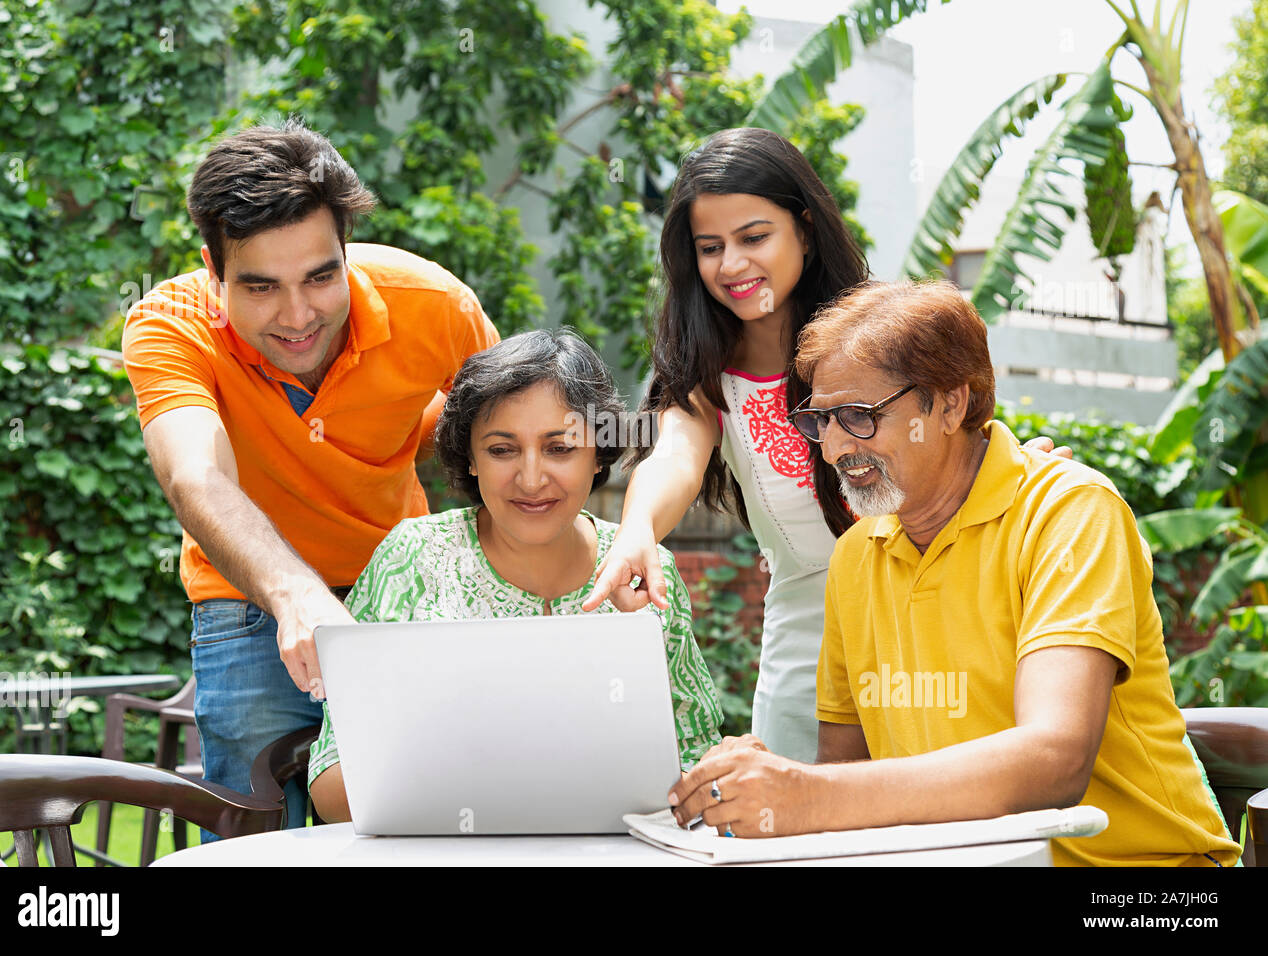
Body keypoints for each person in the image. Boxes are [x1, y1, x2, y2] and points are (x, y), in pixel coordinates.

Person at [667, 280, 1241, 867]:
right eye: (821, 420)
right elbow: (846, 773)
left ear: (950, 403)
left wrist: (806, 793)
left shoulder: (1069, 514)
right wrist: (769, 780)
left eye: (858, 417)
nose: (836, 448)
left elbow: (1055, 761)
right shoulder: (856, 556)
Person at [584, 127, 1068, 762]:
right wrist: (638, 529)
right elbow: (674, 450)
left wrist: (1021, 479)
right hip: (806, 659)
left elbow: (957, 429)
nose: (732, 264)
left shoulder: (881, 337)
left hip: (940, 624)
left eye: (754, 237)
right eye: (710, 247)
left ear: (805, 230)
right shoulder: (707, 373)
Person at [121, 119, 499, 838]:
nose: (298, 317)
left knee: (428, 816)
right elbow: (196, 475)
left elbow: (511, 439)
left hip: (400, 593)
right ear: (213, 271)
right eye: (261, 287)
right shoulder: (169, 326)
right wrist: (297, 596)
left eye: (322, 277)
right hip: (249, 603)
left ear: (346, 253)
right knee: (257, 829)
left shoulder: (435, 306)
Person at [308, 330, 723, 821]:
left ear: (598, 455)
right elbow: (334, 784)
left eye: (560, 449)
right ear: (470, 458)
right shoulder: (412, 560)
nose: (530, 479)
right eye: (503, 450)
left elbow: (697, 760)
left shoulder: (643, 571)